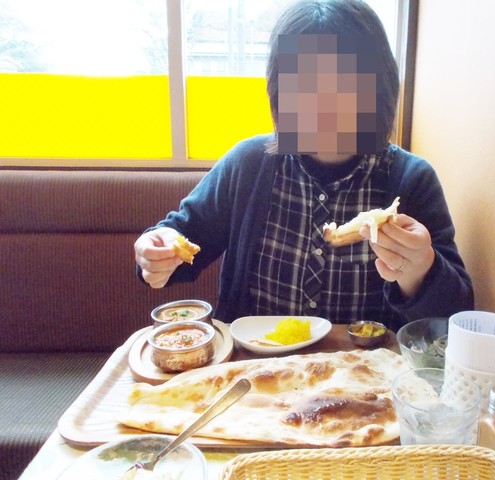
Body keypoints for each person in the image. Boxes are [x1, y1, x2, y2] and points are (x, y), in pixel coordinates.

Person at [134, 0, 473, 331]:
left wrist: (421, 271)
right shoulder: (248, 165)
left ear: (378, 91)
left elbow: (454, 314)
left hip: (366, 365)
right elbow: (182, 236)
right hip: (254, 362)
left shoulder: (412, 180)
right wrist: (158, 252)